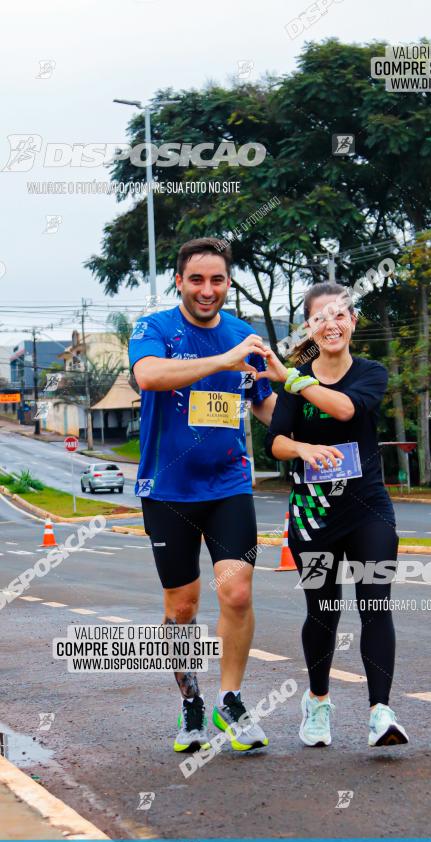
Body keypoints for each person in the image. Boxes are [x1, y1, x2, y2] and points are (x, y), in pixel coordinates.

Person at [129, 237, 283, 754]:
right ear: (179, 281)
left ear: (228, 283)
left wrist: (310, 434)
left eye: (217, 280)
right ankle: (191, 702)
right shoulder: (154, 328)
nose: (207, 289)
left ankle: (231, 700)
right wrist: (226, 357)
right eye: (196, 279)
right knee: (182, 608)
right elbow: (148, 375)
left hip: (228, 484)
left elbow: (267, 409)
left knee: (236, 592)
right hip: (168, 488)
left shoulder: (245, 337)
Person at [264, 281, 409, 748]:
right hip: (314, 514)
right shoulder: (296, 380)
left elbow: (345, 409)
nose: (332, 323)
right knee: (323, 613)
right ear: (309, 326)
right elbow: (277, 441)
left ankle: (380, 713)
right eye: (321, 317)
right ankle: (319, 701)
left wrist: (294, 378)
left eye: (340, 314)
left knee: (375, 607)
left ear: (353, 322)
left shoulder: (370, 372)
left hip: (368, 509)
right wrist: (304, 448)